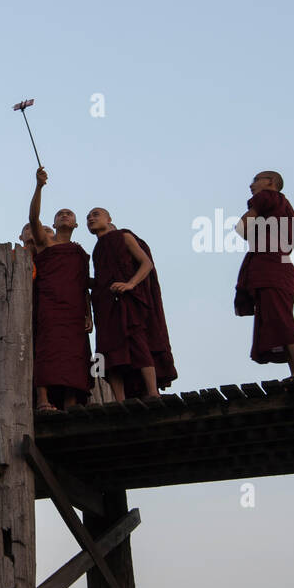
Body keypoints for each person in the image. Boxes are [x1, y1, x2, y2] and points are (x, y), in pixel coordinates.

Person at [85, 209, 177, 400]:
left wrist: (131, 284)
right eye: (88, 218)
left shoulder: (124, 236)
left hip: (127, 301)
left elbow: (146, 263)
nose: (91, 219)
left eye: (96, 215)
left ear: (109, 219)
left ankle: (152, 392)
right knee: (106, 350)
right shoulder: (97, 249)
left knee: (137, 342)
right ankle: (119, 399)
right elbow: (104, 278)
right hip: (105, 305)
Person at [28, 168, 93, 410]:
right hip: (50, 302)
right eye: (60, 214)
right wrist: (39, 186)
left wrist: (89, 313)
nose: (64, 215)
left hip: (74, 307)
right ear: (53, 223)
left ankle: (70, 400)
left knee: (74, 351)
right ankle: (43, 399)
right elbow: (33, 218)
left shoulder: (79, 252)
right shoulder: (45, 243)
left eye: (69, 214)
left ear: (75, 224)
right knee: (47, 347)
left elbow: (83, 284)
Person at [234, 170, 294, 378]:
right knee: (280, 317)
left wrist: (246, 221)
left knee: (282, 319)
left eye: (256, 179)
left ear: (271, 182)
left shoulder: (268, 197)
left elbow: (242, 228)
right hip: (280, 266)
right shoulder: (284, 207)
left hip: (269, 267)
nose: (251, 184)